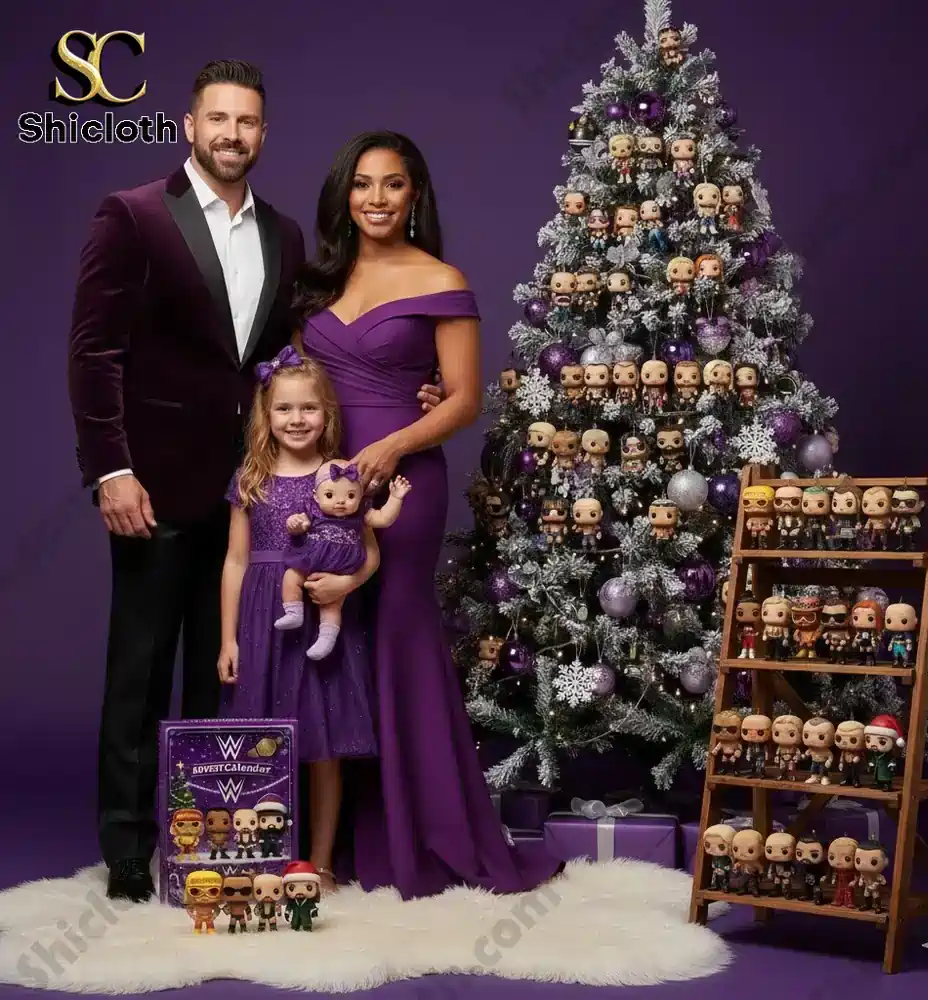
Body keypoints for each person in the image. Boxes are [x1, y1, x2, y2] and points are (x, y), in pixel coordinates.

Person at [67, 62, 443, 903]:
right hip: (153, 488)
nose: (232, 135)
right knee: (139, 671)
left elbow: (303, 353)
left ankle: (212, 834)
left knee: (226, 677)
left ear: (263, 134)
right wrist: (111, 469)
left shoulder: (283, 234)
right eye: (218, 119)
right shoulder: (132, 216)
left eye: (247, 122)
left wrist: (416, 382)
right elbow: (94, 353)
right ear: (189, 126)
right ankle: (128, 850)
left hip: (253, 495)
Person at [293, 130, 562, 899]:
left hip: (401, 484)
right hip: (321, 479)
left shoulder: (442, 278)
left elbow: (465, 399)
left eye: (392, 184)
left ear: (415, 196)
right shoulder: (318, 279)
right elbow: (294, 382)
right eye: (362, 184)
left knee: (394, 633)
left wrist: (393, 446)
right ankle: (327, 842)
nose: (376, 198)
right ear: (345, 195)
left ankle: (418, 831)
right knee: (326, 644)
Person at [218, 350, 385, 892]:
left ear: (326, 413)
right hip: (262, 619)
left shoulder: (340, 474)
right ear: (265, 415)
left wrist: (346, 584)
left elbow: (371, 553)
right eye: (284, 409)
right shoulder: (250, 479)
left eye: (308, 408)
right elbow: (235, 561)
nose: (296, 419)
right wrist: (227, 639)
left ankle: (321, 861)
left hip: (322, 620)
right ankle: (268, 859)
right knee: (263, 740)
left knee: (325, 743)